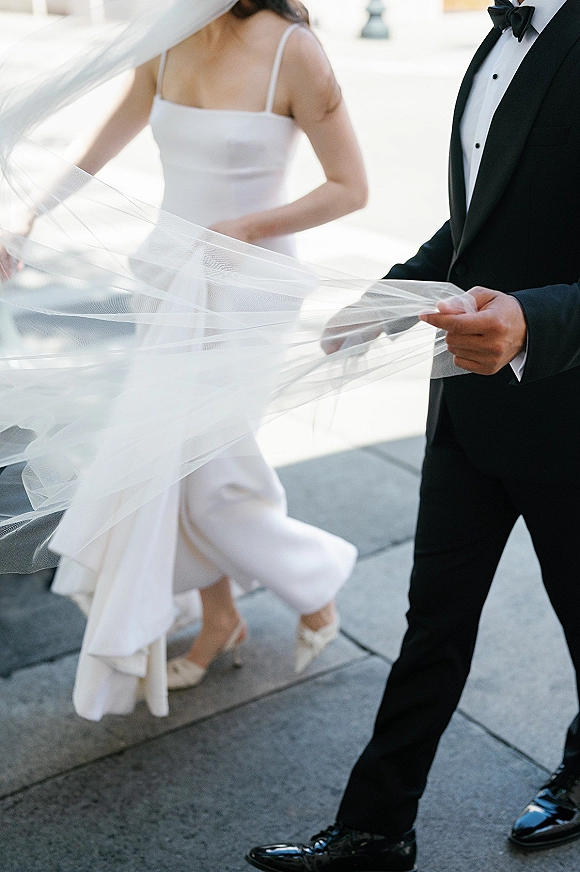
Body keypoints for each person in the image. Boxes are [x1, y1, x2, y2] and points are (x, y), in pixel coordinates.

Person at [246, 1, 580, 869]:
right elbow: (481, 226)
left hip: (567, 417)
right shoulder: (498, 39)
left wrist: (537, 321)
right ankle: (375, 830)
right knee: (432, 622)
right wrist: (390, 298)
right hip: (466, 409)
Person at [0, 0, 366, 714]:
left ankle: (314, 583)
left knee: (211, 473)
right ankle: (222, 616)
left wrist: (247, 227)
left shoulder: (294, 48)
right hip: (166, 283)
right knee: (171, 466)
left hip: (247, 290)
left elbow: (351, 188)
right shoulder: (163, 43)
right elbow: (95, 147)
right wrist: (28, 214)